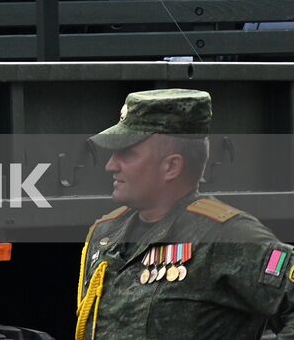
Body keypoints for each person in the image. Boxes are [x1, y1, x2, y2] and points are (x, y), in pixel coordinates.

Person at [76, 88, 294, 339]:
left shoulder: (226, 237)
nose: (110, 165)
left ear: (171, 166)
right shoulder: (106, 234)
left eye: (127, 154)